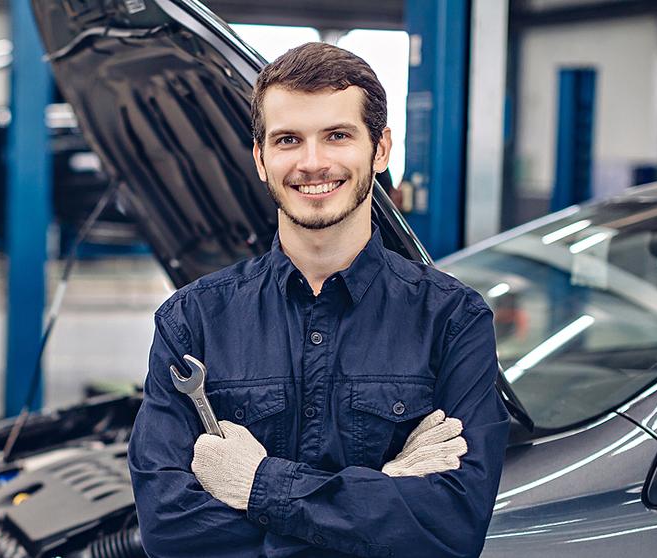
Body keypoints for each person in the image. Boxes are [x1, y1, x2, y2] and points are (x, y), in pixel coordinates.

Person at [128, 42, 510, 558]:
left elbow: (453, 528)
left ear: (380, 150)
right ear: (261, 158)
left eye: (337, 136)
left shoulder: (453, 321)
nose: (313, 162)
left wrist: (258, 484)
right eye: (289, 140)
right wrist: (384, 486)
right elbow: (169, 530)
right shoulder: (192, 322)